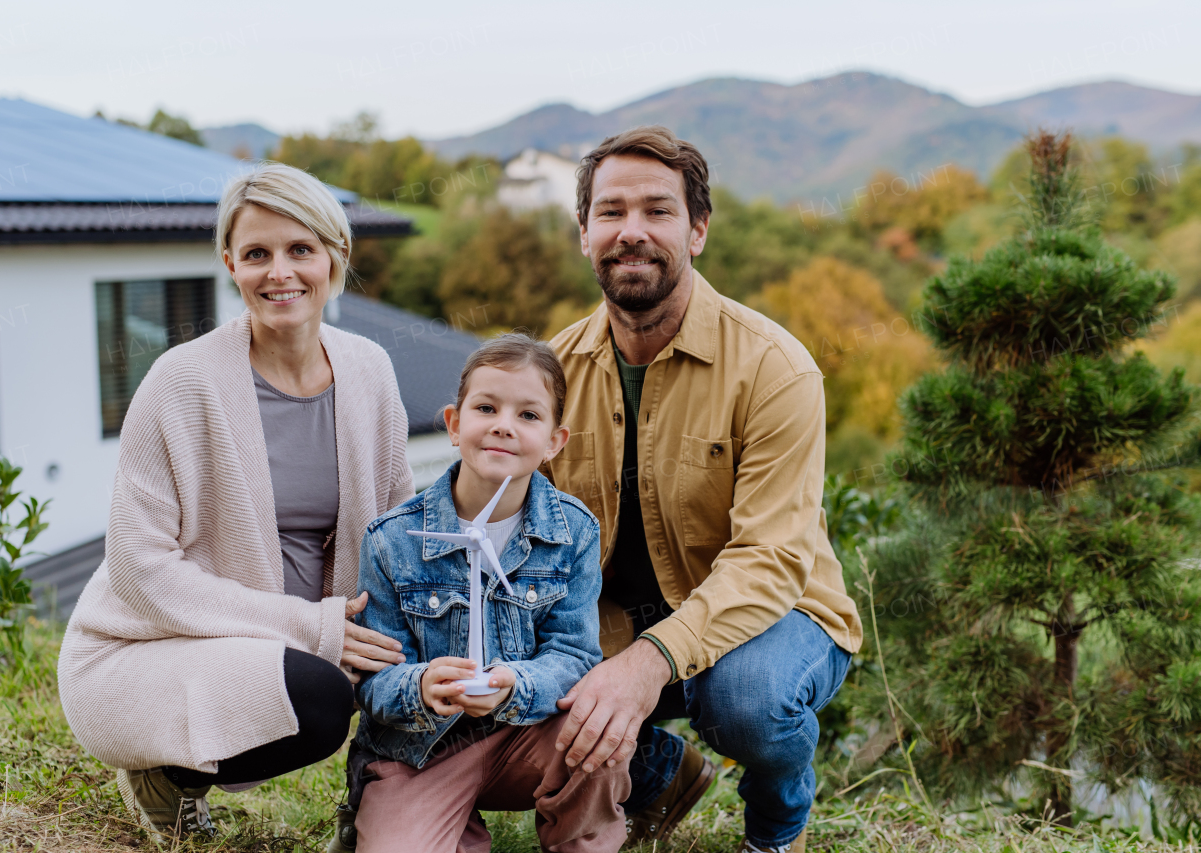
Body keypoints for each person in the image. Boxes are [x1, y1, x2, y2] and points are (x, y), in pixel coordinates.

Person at [57, 163, 413, 842]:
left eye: (300, 249)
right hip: (144, 649)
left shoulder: (370, 369)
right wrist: (311, 625)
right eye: (257, 254)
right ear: (230, 264)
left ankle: (381, 802)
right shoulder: (181, 381)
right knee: (319, 700)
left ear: (336, 256)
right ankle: (169, 774)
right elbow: (139, 569)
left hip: (302, 638)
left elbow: (399, 524)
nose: (280, 272)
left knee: (402, 656)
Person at [543, 126, 864, 853]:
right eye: (611, 211)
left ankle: (777, 825)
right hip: (616, 622)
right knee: (528, 687)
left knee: (745, 702)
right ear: (584, 233)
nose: (632, 232)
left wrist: (651, 659)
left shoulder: (775, 368)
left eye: (657, 211)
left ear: (697, 231)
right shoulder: (551, 374)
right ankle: (662, 772)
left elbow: (769, 562)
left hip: (776, 613)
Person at [344, 334, 630, 853]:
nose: (503, 424)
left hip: (528, 733)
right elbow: (373, 676)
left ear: (554, 443)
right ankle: (442, 825)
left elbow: (574, 654)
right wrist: (422, 684)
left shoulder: (575, 532)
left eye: (528, 415)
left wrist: (514, 682)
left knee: (597, 735)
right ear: (454, 425)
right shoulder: (391, 538)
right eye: (486, 407)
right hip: (422, 748)